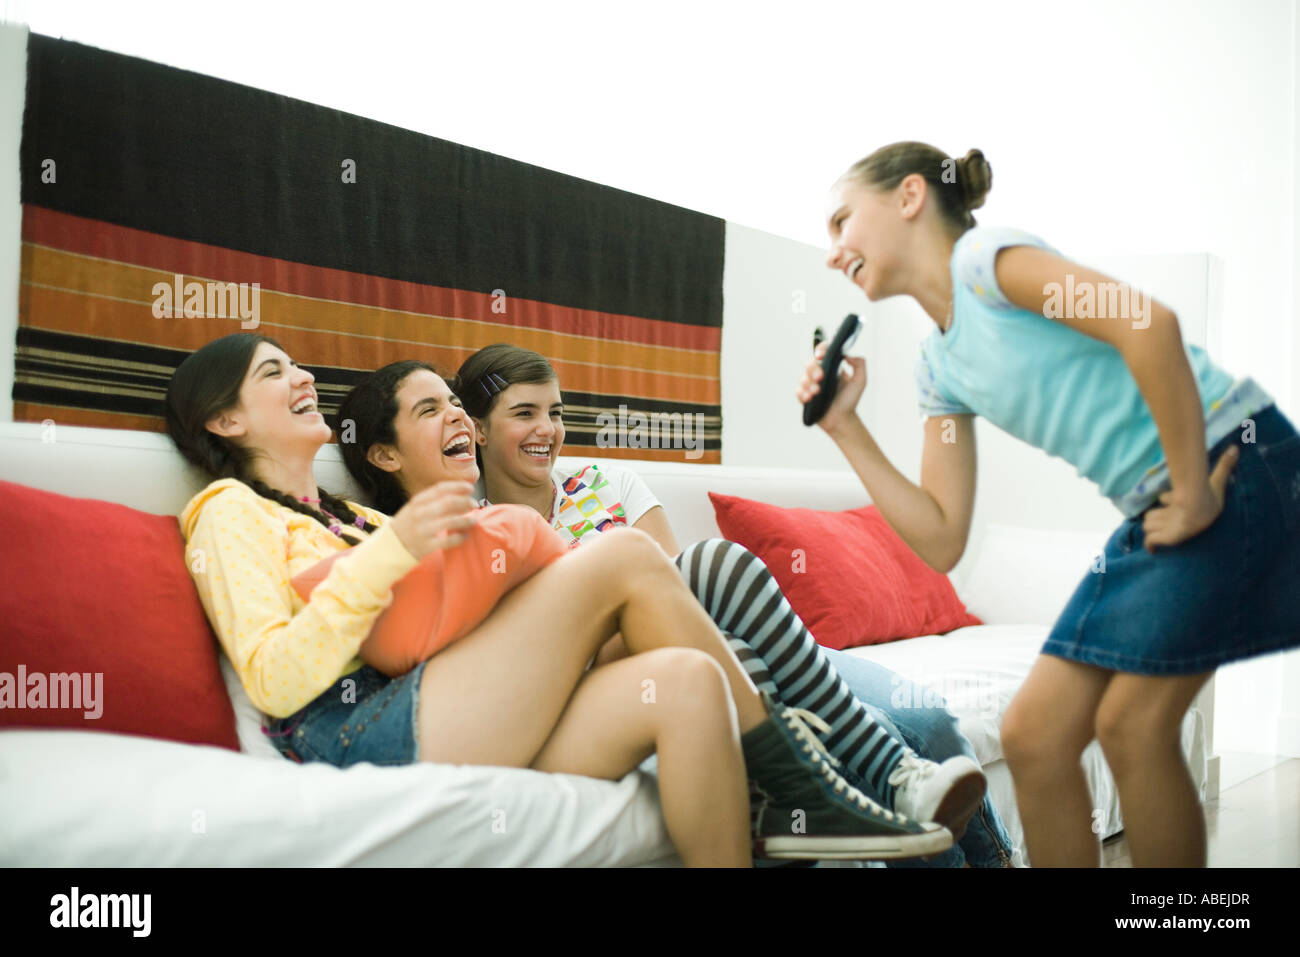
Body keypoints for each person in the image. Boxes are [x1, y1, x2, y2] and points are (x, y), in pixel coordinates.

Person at [166, 332, 953, 867]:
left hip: (450, 698)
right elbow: (271, 676)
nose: (302, 377)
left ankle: (796, 794)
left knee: (686, 682)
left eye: (295, 366)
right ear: (225, 418)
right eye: (273, 373)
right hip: (367, 727)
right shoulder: (229, 511)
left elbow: (442, 618)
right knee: (626, 557)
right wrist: (393, 553)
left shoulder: (359, 515)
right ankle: (805, 788)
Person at [801, 141, 1300, 867]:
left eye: (842, 220)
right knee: (1037, 733)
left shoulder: (987, 265)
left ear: (910, 196)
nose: (832, 250)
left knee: (1132, 725)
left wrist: (1191, 491)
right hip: (1162, 503)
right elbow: (941, 536)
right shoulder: (939, 369)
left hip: (1230, 457)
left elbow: (1147, 323)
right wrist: (845, 426)